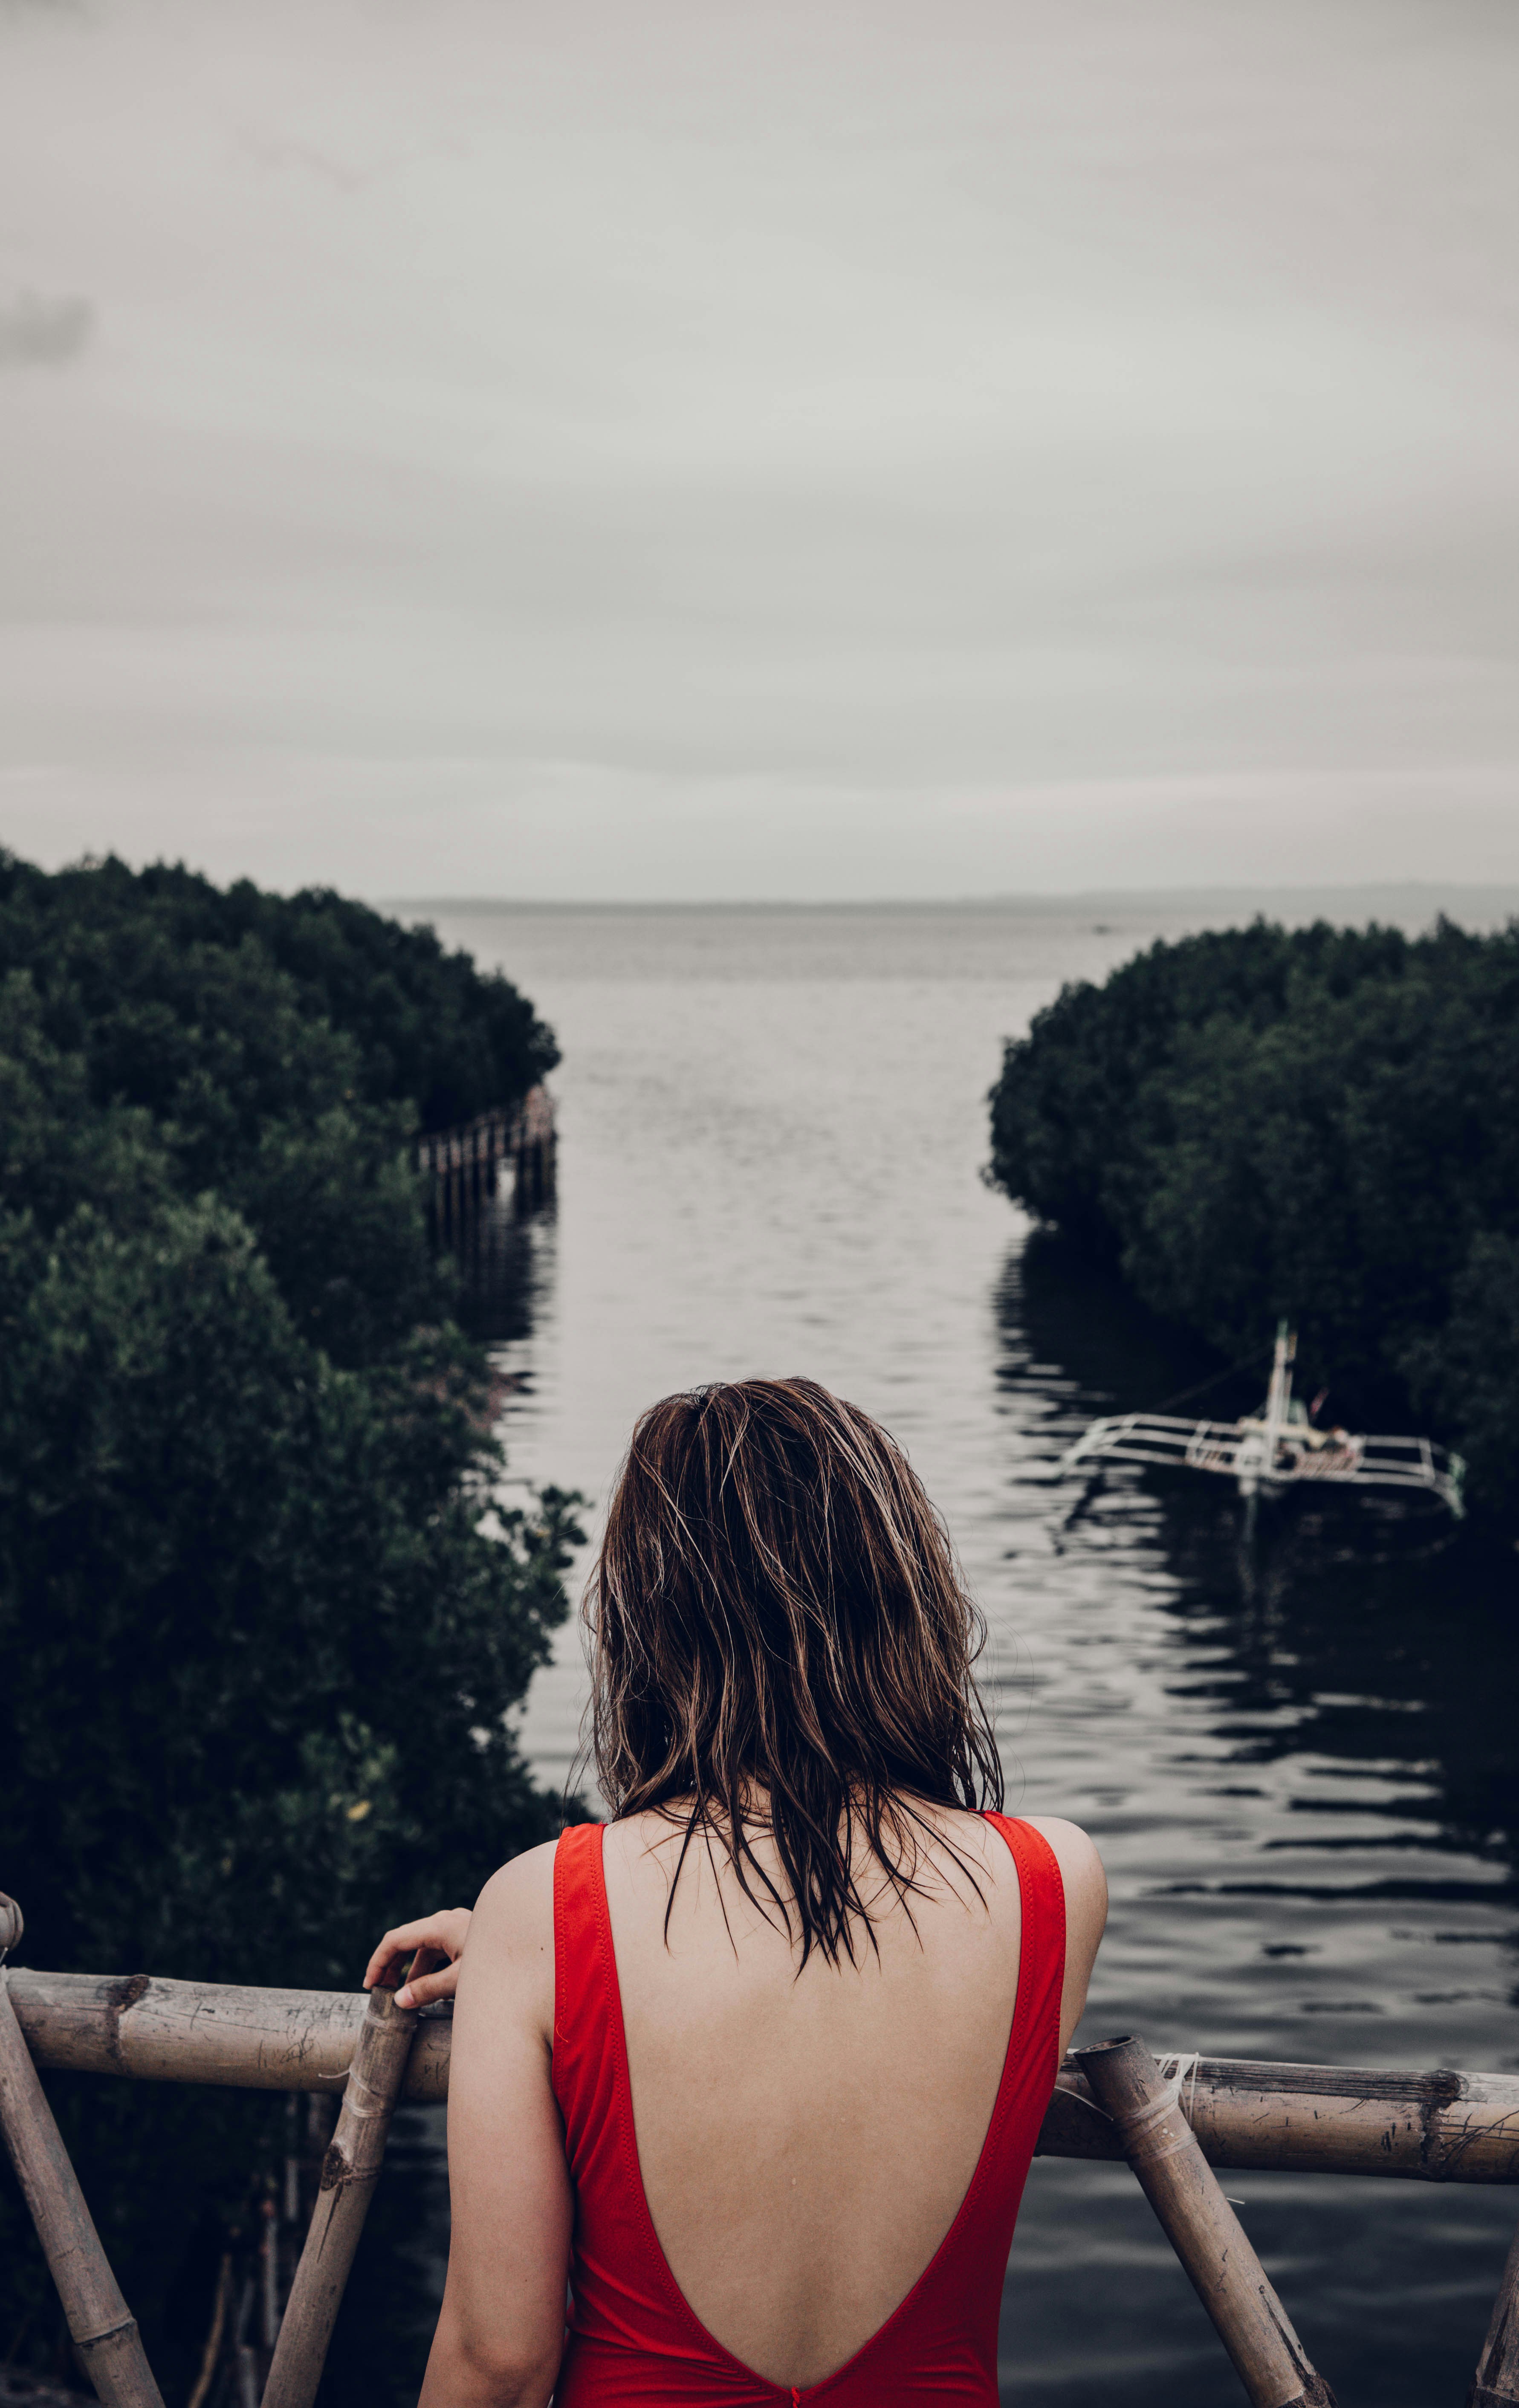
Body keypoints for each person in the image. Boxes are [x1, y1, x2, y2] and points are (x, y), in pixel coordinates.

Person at [366, 1378, 1106, 2407]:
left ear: (651, 1620)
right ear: (902, 1594)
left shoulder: (541, 1909)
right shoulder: (1056, 1882)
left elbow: (502, 2358)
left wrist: (525, 1954)